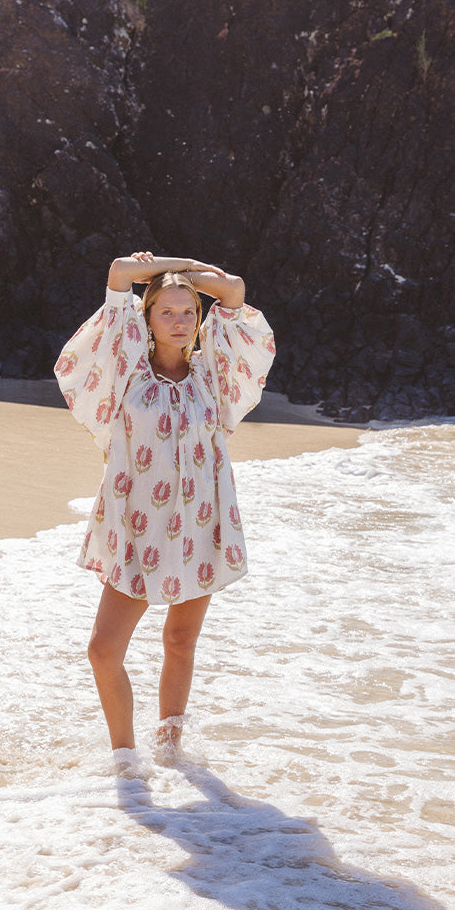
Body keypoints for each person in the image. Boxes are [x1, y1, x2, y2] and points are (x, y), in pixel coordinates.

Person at [55, 252, 275, 764]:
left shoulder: (212, 372)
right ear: (146, 319)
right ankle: (125, 760)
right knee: (103, 650)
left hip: (201, 521)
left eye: (189, 312)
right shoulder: (127, 369)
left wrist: (187, 279)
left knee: (180, 640)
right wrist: (169, 269)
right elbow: (118, 273)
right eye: (167, 311)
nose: (180, 321)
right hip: (137, 526)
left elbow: (234, 290)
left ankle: (171, 749)